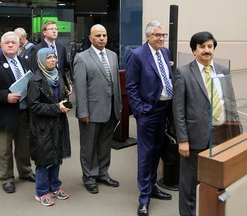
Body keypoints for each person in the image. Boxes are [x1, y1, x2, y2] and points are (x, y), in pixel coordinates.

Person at [172, 31, 242, 216]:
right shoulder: (184, 73)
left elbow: (230, 103)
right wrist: (182, 140)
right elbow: (178, 110)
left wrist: (237, 134)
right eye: (202, 47)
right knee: (189, 185)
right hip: (194, 138)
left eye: (210, 46)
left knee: (216, 181)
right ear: (194, 51)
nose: (206, 50)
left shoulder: (223, 70)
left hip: (221, 136)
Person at [125, 20, 173, 216]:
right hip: (147, 111)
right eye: (157, 35)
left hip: (164, 110)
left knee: (157, 151)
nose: (161, 38)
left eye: (163, 35)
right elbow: (131, 86)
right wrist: (140, 110)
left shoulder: (165, 52)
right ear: (147, 37)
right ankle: (143, 197)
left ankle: (152, 187)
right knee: (145, 155)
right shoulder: (137, 55)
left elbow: (166, 77)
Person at [0, 31, 35, 193]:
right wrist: (5, 96)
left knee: (24, 147)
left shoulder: (26, 61)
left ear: (19, 44)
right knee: (4, 150)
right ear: (1, 45)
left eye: (13, 42)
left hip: (24, 114)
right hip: (3, 114)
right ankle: (7, 178)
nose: (10, 45)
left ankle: (25, 172)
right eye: (7, 43)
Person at [73, 24, 122, 194]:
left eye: (104, 35)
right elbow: (80, 88)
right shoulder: (81, 57)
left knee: (104, 144)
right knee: (89, 146)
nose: (102, 38)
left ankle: (103, 172)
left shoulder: (113, 55)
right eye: (98, 35)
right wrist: (83, 112)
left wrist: (119, 107)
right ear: (90, 38)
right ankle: (89, 176)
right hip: (91, 110)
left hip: (110, 110)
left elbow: (115, 82)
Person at [27, 47, 71, 206]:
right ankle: (41, 191)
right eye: (49, 58)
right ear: (41, 60)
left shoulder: (58, 76)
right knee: (43, 159)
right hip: (42, 126)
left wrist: (66, 104)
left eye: (54, 57)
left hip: (58, 123)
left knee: (56, 157)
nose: (53, 60)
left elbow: (61, 98)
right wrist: (56, 108)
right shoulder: (35, 80)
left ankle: (55, 186)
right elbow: (34, 107)